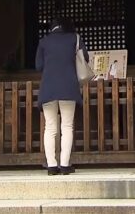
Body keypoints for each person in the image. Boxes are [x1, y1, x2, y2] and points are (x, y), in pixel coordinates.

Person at [35, 17, 88, 175]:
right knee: (67, 126)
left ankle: (52, 165)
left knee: (50, 127)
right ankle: (65, 164)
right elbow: (85, 59)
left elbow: (39, 66)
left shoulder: (44, 42)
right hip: (68, 87)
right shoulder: (75, 38)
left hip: (48, 88)